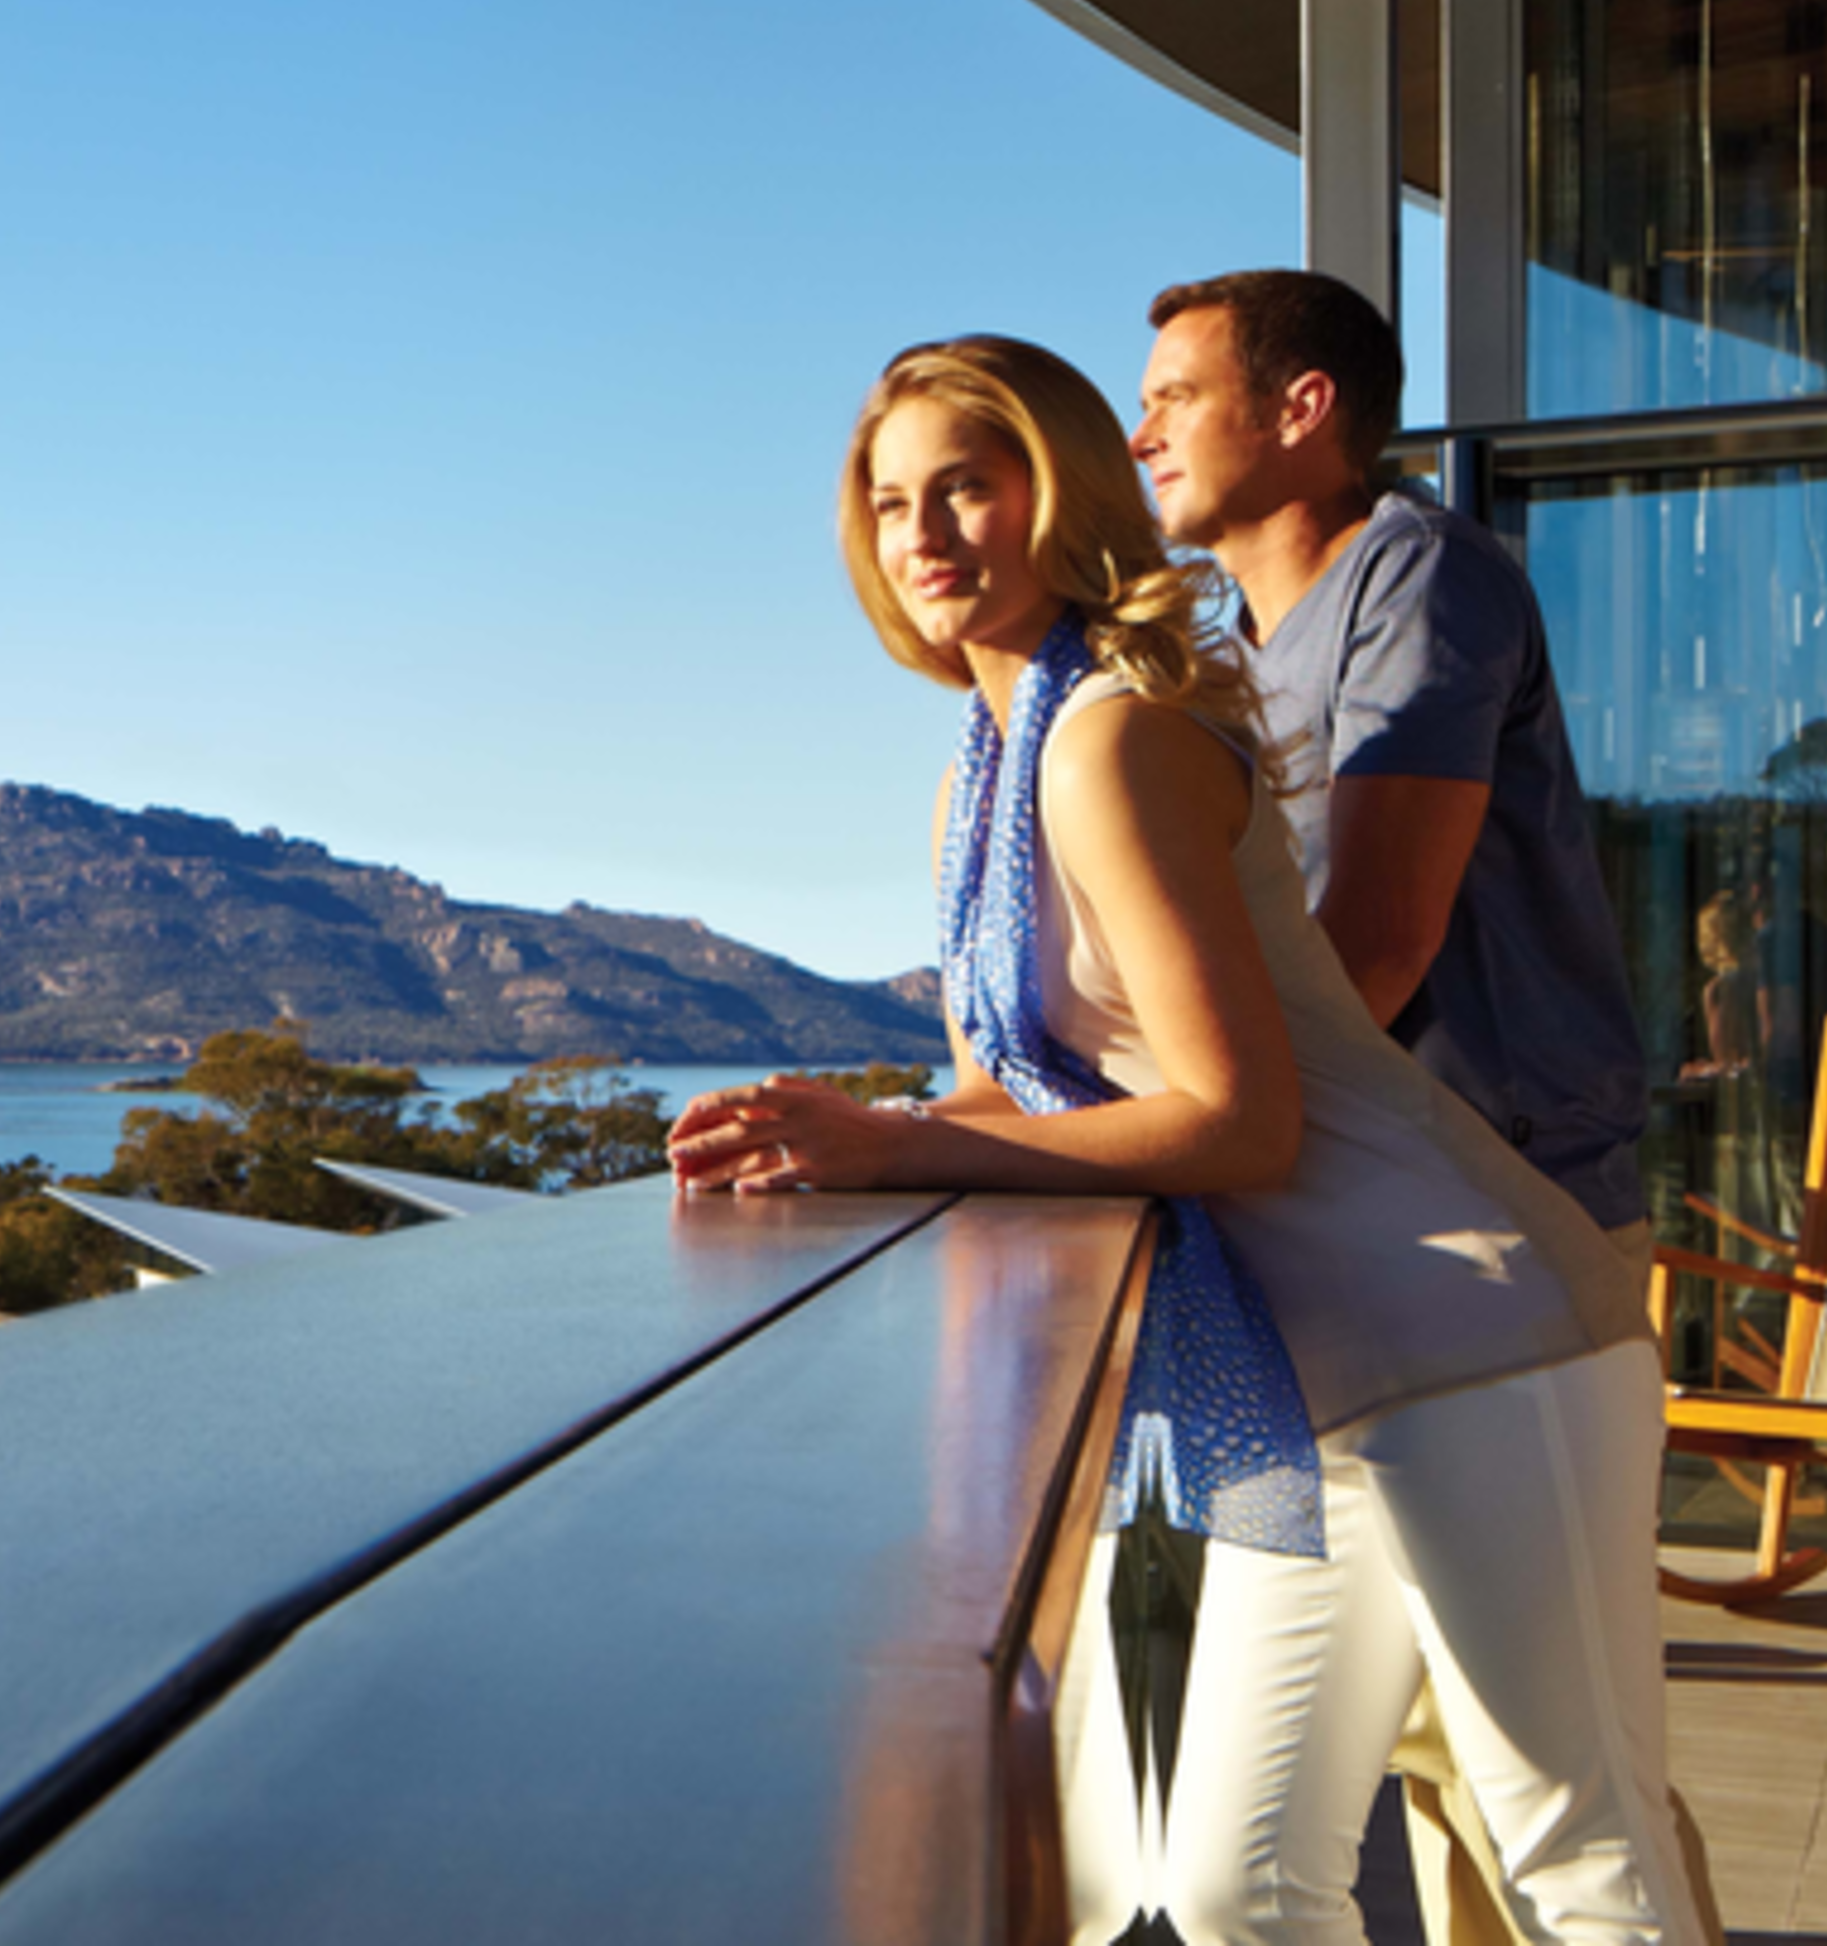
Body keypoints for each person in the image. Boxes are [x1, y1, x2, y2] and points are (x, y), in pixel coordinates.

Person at [671, 337, 1682, 1946]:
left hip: (1473, 1337)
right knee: (1226, 1885)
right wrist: (860, 1130)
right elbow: (1033, 1085)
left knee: (1582, 1862)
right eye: (888, 502)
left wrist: (901, 1151)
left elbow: (1238, 1118)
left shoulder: (1117, 737)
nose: (922, 532)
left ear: (1058, 496)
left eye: (966, 487)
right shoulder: (989, 769)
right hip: (1300, 1391)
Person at [1130, 272, 1717, 1946]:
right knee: (1264, 1862)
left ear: (1303, 409)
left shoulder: (1423, 577)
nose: (1143, 426)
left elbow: (1370, 942)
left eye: (1176, 391)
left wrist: (1184, 1117)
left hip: (1496, 1245)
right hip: (1324, 1287)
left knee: (1557, 1816)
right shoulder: (1226, 656)